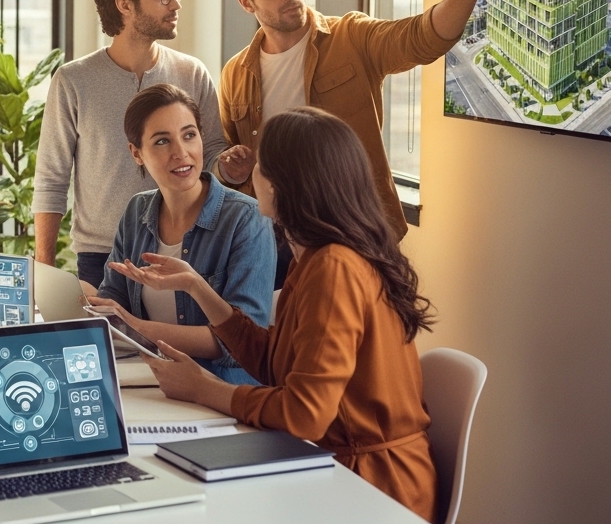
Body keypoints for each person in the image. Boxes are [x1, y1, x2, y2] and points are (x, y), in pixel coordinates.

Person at [115, 107, 438, 520]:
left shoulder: (334, 268)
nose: (253, 177)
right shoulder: (314, 259)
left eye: (261, 166)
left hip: (371, 488)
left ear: (288, 184)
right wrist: (196, 286)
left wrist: (203, 389)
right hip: (329, 465)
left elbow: (304, 415)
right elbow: (278, 363)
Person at [217, 0, 512, 249]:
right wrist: (227, 169)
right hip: (271, 240)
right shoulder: (237, 73)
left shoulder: (350, 37)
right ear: (247, 2)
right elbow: (231, 156)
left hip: (350, 232)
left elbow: (421, 38)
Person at [34, 0, 228, 293]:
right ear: (124, 4)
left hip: (185, 249)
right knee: (110, 347)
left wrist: (231, 166)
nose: (175, 4)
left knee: (178, 348)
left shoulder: (192, 72)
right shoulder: (73, 80)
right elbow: (51, 179)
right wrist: (44, 271)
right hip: (102, 255)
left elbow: (212, 154)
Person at [89, 84, 274, 385]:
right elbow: (115, 299)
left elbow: (240, 345)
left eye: (189, 135)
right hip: (151, 381)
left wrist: (135, 327)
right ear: (136, 153)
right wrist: (94, 308)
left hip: (224, 393)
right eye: (162, 141)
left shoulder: (246, 218)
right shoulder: (138, 210)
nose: (181, 153)